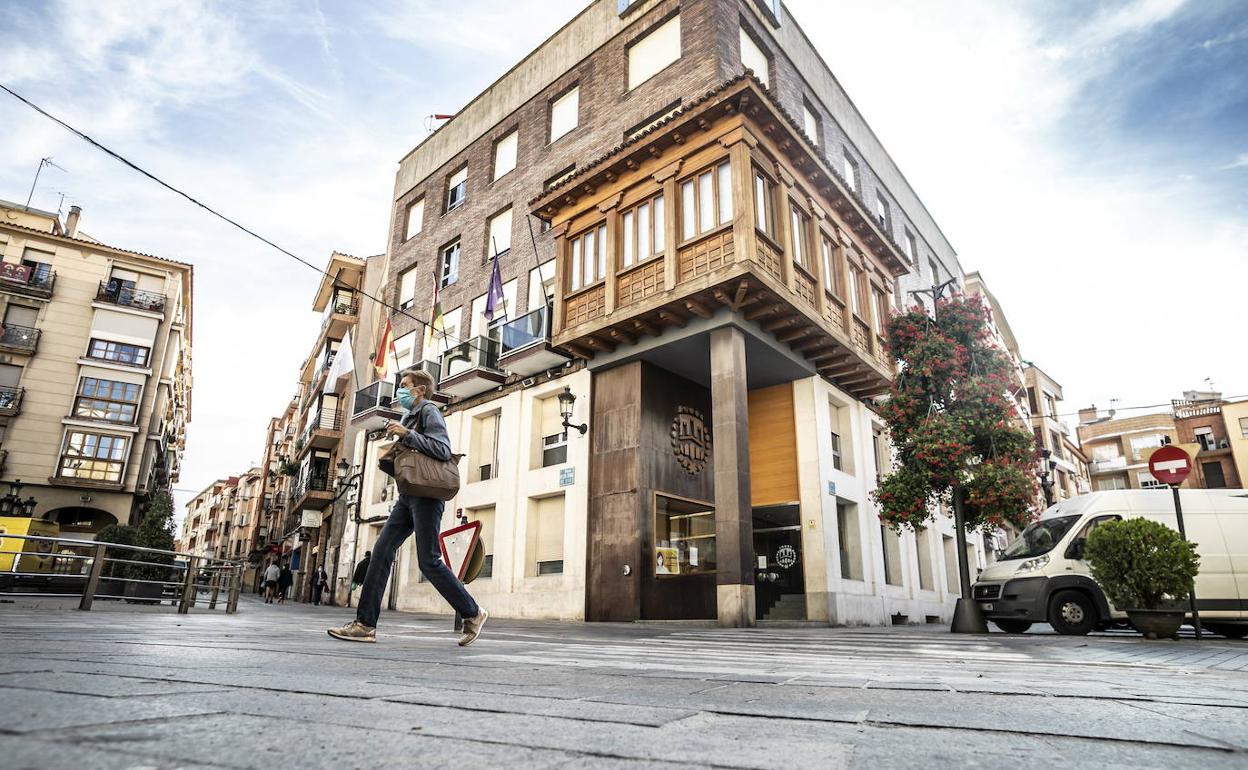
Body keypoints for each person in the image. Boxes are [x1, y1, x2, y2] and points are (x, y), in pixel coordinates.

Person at [329, 369, 487, 646]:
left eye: (404, 386)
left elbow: (441, 449)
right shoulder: (410, 416)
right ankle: (365, 625)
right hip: (408, 494)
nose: (399, 392)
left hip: (427, 495)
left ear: (420, 390)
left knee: (429, 560)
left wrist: (407, 435)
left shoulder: (429, 411)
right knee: (381, 552)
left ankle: (472, 612)